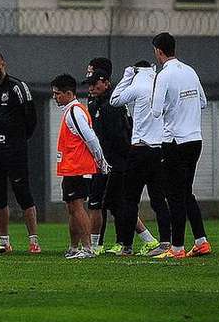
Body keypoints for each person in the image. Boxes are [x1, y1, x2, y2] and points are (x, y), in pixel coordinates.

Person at [83, 69, 161, 255]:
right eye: (90, 84)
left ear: (106, 82)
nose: (92, 87)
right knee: (115, 203)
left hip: (118, 163)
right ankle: (143, 240)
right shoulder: (96, 103)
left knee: (111, 202)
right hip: (109, 162)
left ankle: (118, 243)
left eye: (95, 83)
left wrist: (120, 160)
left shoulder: (113, 104)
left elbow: (121, 135)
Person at [150, 32, 211, 259]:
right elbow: (203, 102)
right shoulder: (190, 71)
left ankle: (176, 249)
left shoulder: (164, 75)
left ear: (158, 51)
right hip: (195, 140)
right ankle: (201, 241)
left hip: (174, 142)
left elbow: (156, 111)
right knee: (186, 193)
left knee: (174, 195)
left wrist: (169, 106)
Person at [0, 49, 41, 254]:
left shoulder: (17, 87)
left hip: (14, 151)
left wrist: (17, 141)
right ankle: (4, 241)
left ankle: (34, 241)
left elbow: (31, 120)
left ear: (2, 64)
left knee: (23, 194)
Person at [110, 60, 172, 256]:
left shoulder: (137, 84)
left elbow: (115, 100)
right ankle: (165, 242)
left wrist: (127, 76)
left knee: (130, 200)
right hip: (159, 149)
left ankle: (127, 246)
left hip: (138, 150)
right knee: (159, 199)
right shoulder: (160, 84)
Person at [51, 74, 110, 259]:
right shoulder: (71, 111)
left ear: (69, 93)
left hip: (79, 168)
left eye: (58, 94)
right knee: (72, 208)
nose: (55, 97)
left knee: (77, 207)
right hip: (71, 168)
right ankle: (74, 247)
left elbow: (90, 137)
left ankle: (88, 248)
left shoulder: (75, 111)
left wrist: (101, 162)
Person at [84, 57, 113, 250]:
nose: (87, 76)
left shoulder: (113, 102)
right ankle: (145, 239)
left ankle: (97, 244)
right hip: (97, 159)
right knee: (107, 203)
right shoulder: (93, 99)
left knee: (102, 203)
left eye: (90, 72)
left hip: (108, 160)